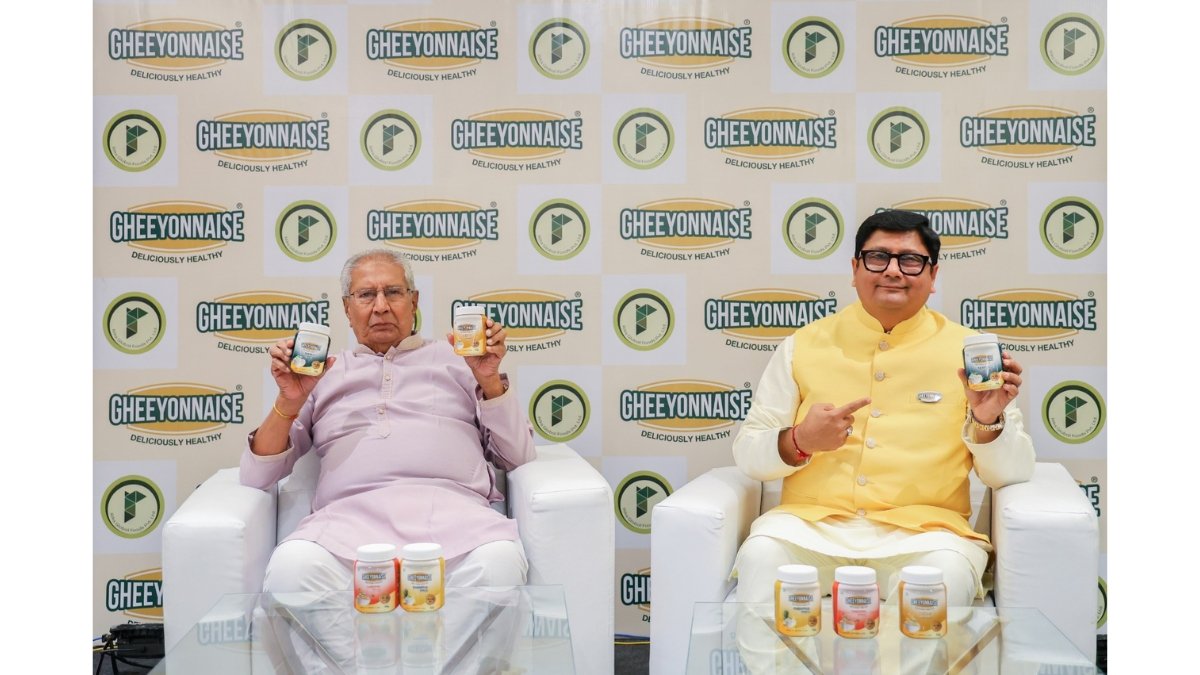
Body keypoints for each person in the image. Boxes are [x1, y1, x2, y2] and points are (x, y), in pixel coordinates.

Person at [239, 249, 535, 667]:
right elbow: (257, 474)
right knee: (291, 571)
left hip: (457, 522)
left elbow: (518, 456)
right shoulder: (321, 374)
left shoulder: (462, 362)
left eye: (393, 292)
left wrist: (488, 379)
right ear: (347, 309)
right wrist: (289, 400)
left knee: (499, 564)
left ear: (414, 302)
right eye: (366, 295)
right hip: (346, 527)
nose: (380, 306)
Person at [732, 210, 1035, 612]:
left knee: (944, 575)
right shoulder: (802, 345)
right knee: (761, 556)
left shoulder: (970, 354)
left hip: (928, 535)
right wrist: (801, 440)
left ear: (933, 275)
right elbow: (749, 453)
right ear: (855, 269)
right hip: (808, 529)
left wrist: (987, 420)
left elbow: (1011, 473)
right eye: (878, 257)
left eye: (910, 260)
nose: (893, 270)